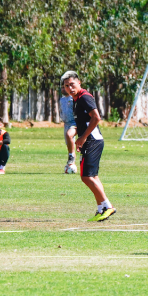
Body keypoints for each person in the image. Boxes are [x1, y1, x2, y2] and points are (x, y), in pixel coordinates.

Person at [62, 72, 116, 222]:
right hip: (90, 140)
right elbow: (84, 121)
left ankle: (108, 206)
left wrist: (83, 137)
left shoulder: (84, 97)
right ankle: (101, 209)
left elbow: (96, 118)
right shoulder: (76, 100)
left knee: (86, 177)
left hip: (92, 140)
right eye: (66, 86)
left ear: (79, 83)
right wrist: (75, 132)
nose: (70, 88)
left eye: (72, 84)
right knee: (93, 176)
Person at [59, 71, 77, 171]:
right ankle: (71, 162)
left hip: (74, 123)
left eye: (64, 87)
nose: (63, 89)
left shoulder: (73, 98)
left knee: (70, 137)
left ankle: (72, 158)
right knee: (69, 144)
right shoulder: (62, 99)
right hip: (66, 123)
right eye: (62, 87)